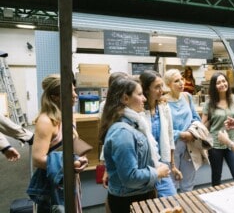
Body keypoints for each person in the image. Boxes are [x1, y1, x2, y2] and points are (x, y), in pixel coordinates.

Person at [99, 76, 170, 213]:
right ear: (125, 99)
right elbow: (130, 177)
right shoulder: (123, 132)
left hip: (138, 196)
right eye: (139, 94)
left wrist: (154, 165)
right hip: (129, 200)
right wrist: (157, 172)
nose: (144, 98)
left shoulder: (134, 124)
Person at [27, 74, 88, 212]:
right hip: (52, 184)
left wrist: (82, 157)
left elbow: (72, 141)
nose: (75, 95)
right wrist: (70, 163)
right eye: (70, 92)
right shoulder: (46, 121)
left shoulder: (69, 115)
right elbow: (37, 159)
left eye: (74, 90)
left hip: (70, 179)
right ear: (55, 97)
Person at [140, 70, 183, 197]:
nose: (161, 90)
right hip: (145, 167)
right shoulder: (139, 111)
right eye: (157, 87)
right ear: (146, 89)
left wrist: (173, 165)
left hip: (163, 164)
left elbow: (170, 138)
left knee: (171, 199)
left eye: (161, 86)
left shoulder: (164, 107)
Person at [163, 69, 203, 192]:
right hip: (172, 146)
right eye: (176, 81)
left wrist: (191, 133)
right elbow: (163, 128)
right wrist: (181, 134)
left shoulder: (187, 97)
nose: (181, 83)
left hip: (189, 144)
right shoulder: (163, 101)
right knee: (172, 183)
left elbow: (196, 118)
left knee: (188, 183)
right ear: (168, 84)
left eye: (181, 79)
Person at [201, 72, 234, 186]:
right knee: (216, 176)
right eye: (218, 82)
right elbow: (202, 126)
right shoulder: (209, 104)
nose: (222, 84)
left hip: (231, 142)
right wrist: (203, 145)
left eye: (224, 81)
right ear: (214, 86)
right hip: (215, 144)